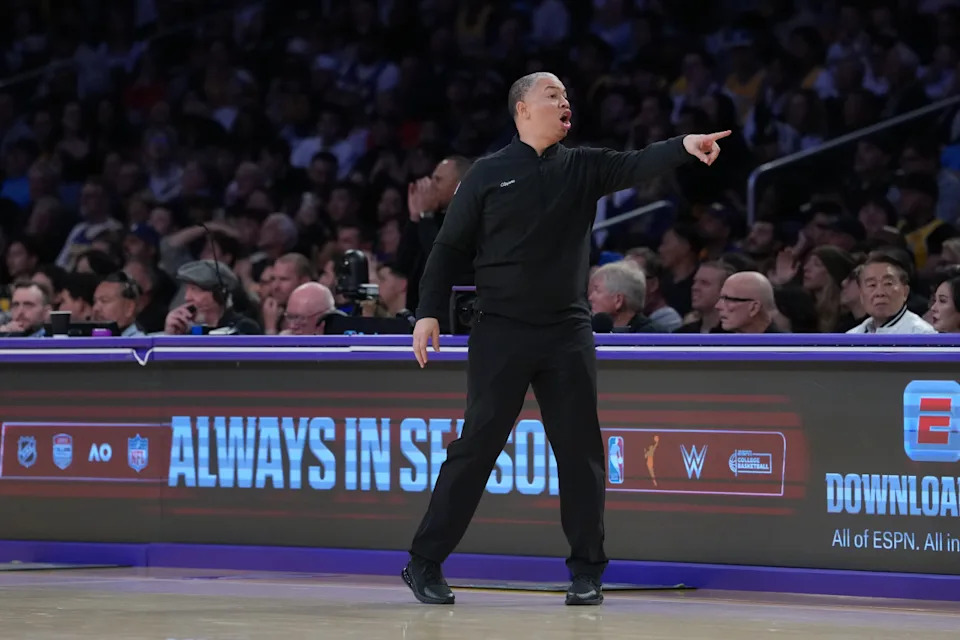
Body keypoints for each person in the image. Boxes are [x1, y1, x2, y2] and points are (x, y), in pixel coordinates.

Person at [404, 71, 730, 606]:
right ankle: (424, 562)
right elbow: (447, 249)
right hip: (500, 330)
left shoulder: (582, 166)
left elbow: (636, 162)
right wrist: (427, 313)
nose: (564, 102)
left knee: (579, 452)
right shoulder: (487, 174)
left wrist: (685, 147)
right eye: (552, 95)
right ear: (522, 110)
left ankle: (587, 572)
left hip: (566, 331)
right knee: (476, 448)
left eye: (566, 95)